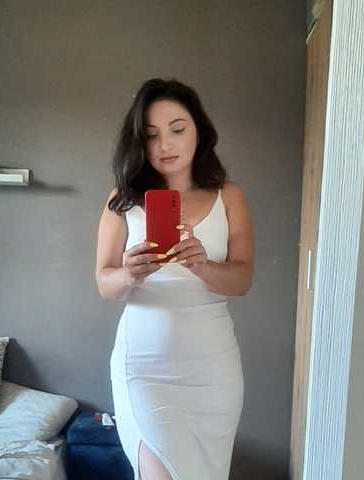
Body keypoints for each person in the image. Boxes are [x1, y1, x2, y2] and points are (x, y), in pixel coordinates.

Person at [95, 78, 254, 480]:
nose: (165, 144)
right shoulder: (122, 200)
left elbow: (242, 280)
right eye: (151, 135)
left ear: (199, 131)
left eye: (177, 129)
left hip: (212, 371)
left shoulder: (229, 196)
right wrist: (129, 274)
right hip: (144, 367)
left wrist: (202, 265)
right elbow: (104, 284)